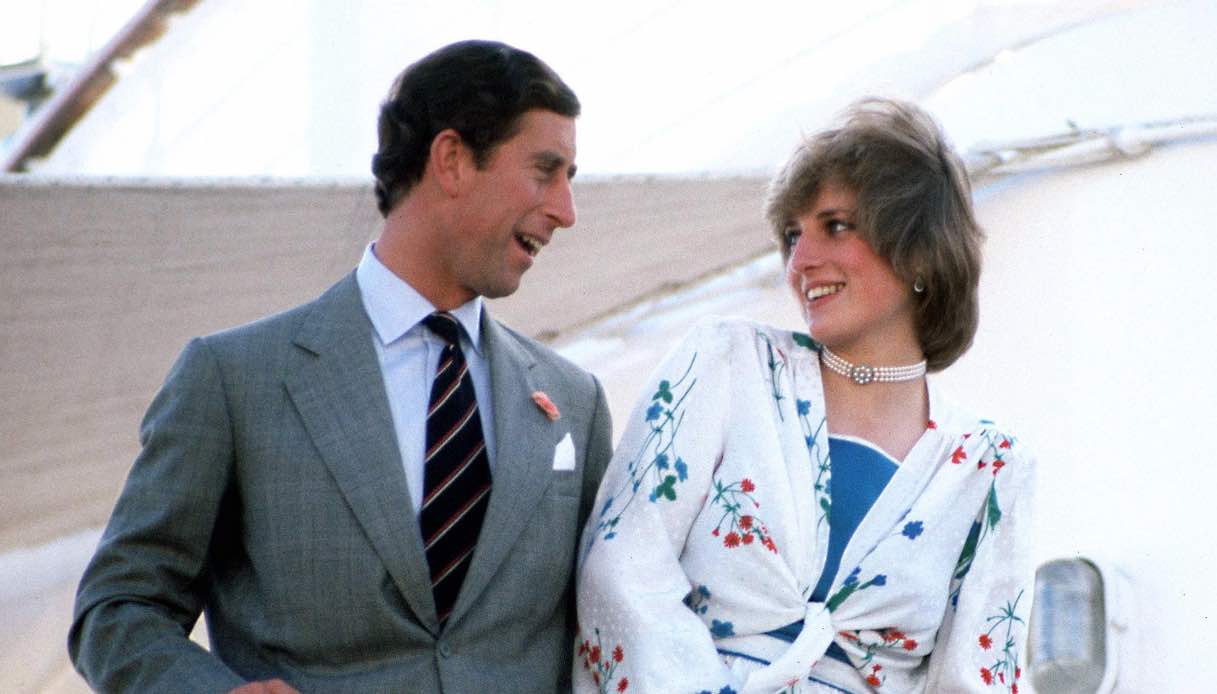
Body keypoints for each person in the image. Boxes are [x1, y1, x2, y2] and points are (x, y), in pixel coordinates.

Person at [69, 40, 612, 693]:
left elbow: (613, 618)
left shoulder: (573, 401)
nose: (565, 212)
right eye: (545, 171)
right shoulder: (234, 380)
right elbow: (118, 608)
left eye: (569, 178)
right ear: (452, 160)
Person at [574, 98, 1035, 693]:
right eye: (793, 235)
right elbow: (621, 568)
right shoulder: (727, 363)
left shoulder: (990, 467)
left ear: (919, 251)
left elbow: (980, 678)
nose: (801, 261)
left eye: (835, 226)